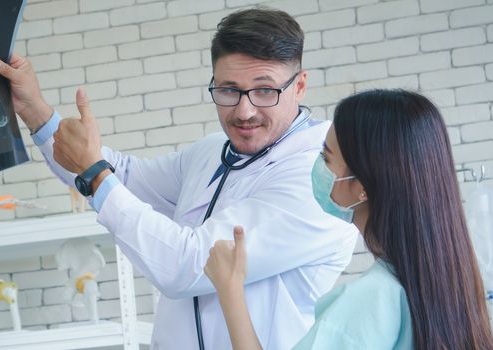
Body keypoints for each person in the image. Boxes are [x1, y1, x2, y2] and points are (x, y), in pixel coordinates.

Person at [0, 8, 358, 349]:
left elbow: (188, 265)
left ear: (299, 86)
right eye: (228, 90)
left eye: (265, 90)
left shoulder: (320, 180)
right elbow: (126, 179)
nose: (244, 111)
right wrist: (35, 110)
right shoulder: (212, 152)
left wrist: (93, 171)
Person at [204, 89, 493, 349]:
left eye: (326, 158)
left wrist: (230, 289)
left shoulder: (369, 302)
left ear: (362, 186)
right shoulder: (455, 285)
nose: (318, 168)